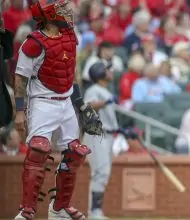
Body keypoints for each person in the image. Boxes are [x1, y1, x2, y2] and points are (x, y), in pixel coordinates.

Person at [13, 1, 102, 219]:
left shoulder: (70, 36)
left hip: (66, 102)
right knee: (38, 150)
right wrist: (19, 111)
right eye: (62, 9)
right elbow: (20, 78)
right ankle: (27, 210)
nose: (68, 12)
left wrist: (80, 104)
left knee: (75, 152)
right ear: (50, 14)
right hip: (42, 101)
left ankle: (60, 207)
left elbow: (72, 74)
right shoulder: (33, 43)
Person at [82, 62, 117, 219]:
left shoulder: (105, 91)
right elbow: (88, 106)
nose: (110, 71)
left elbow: (107, 117)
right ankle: (94, 212)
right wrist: (106, 102)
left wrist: (120, 129)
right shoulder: (93, 90)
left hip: (107, 134)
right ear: (99, 73)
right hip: (96, 135)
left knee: (104, 173)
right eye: (107, 69)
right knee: (100, 173)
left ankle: (96, 211)